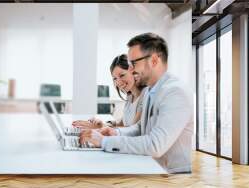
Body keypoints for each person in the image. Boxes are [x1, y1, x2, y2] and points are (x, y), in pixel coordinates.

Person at [79, 33, 194, 174]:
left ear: (153, 61)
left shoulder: (175, 92)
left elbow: (155, 145)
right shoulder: (154, 90)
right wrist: (114, 132)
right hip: (152, 167)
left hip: (171, 176)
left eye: (133, 64)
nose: (131, 70)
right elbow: (141, 128)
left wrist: (104, 141)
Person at [72, 54, 146, 129]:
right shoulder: (130, 96)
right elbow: (122, 123)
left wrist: (101, 127)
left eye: (122, 75)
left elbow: (132, 131)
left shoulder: (145, 96)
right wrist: (104, 124)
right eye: (115, 78)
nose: (118, 83)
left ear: (133, 71)